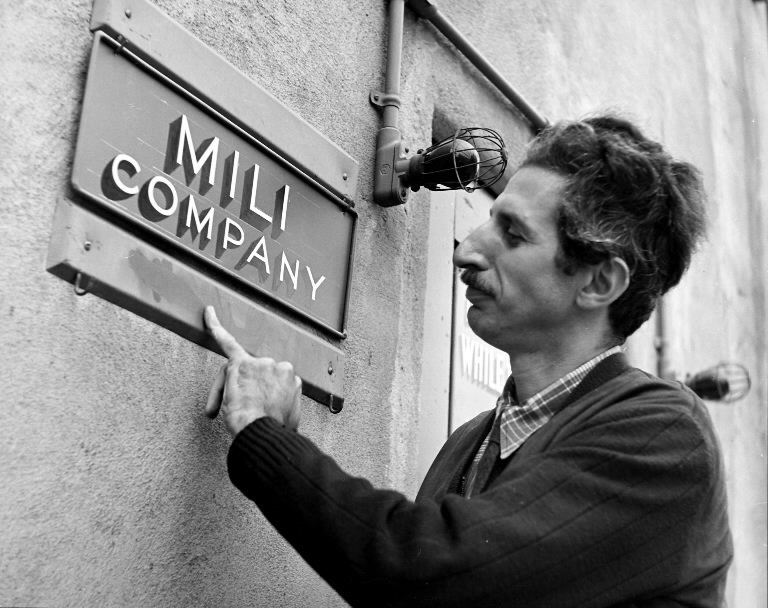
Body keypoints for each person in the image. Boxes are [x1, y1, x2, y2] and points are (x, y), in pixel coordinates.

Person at [203, 115, 732, 607]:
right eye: (488, 222)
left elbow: (427, 573)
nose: (467, 250)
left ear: (598, 281)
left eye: (514, 234)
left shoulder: (662, 434)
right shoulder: (471, 441)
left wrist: (262, 434)